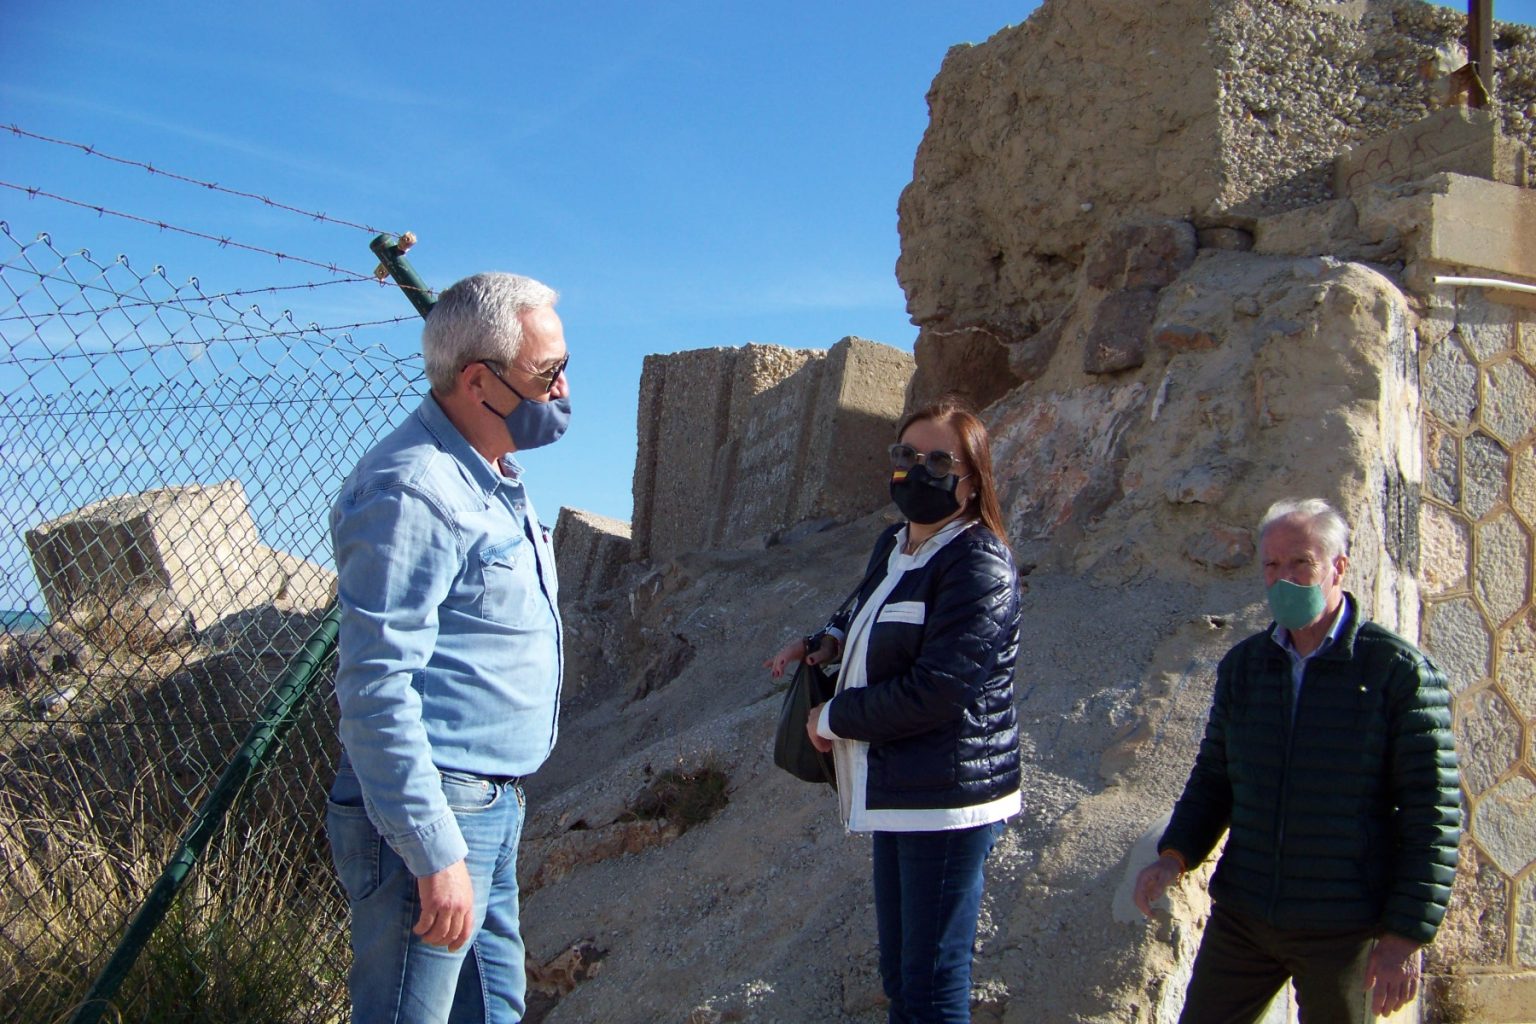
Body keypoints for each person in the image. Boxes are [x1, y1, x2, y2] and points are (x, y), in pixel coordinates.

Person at [326, 271, 572, 1023]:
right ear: (478, 381)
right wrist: (434, 852)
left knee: (495, 1010)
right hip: (437, 810)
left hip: (490, 805)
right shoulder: (416, 489)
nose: (564, 390)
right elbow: (374, 686)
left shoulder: (493, 474)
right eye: (547, 373)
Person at [1133, 498, 1461, 1024]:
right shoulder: (1245, 667)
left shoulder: (1397, 672)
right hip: (1246, 915)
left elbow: (1433, 813)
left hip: (1342, 924)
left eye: (1300, 563)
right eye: (1272, 565)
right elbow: (1215, 777)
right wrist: (1174, 856)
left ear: (1339, 567)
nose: (1284, 578)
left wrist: (1404, 936)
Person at [766, 398, 1022, 1024]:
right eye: (907, 455)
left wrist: (833, 719)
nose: (918, 470)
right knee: (901, 975)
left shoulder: (978, 562)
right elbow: (863, 609)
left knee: (933, 982)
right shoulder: (896, 543)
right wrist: (824, 639)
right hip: (900, 787)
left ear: (972, 477)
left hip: (947, 796)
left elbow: (940, 688)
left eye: (939, 459)